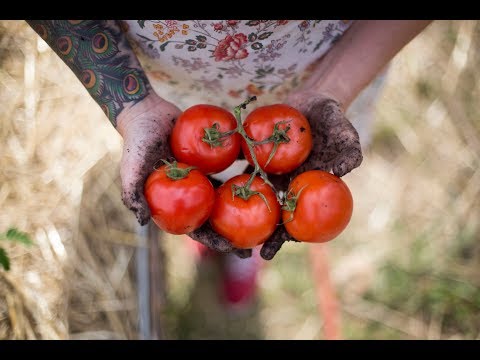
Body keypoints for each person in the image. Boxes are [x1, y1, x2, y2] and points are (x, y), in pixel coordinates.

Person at [26, 20, 432, 309]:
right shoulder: (187, 131)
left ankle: (243, 248)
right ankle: (217, 224)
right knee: (203, 180)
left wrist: (333, 89)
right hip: (173, 91)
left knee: (290, 182)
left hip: (338, 68)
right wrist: (134, 109)